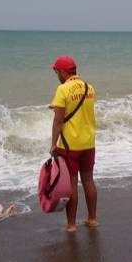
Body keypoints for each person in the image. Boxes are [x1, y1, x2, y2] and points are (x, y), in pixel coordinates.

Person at [50, 55, 98, 233]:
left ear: (63, 72)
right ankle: (92, 219)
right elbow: (80, 109)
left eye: (56, 71)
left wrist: (53, 144)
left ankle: (71, 224)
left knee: (71, 184)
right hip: (88, 143)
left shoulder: (62, 89)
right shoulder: (89, 87)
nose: (56, 75)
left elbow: (58, 122)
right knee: (88, 180)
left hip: (69, 144)